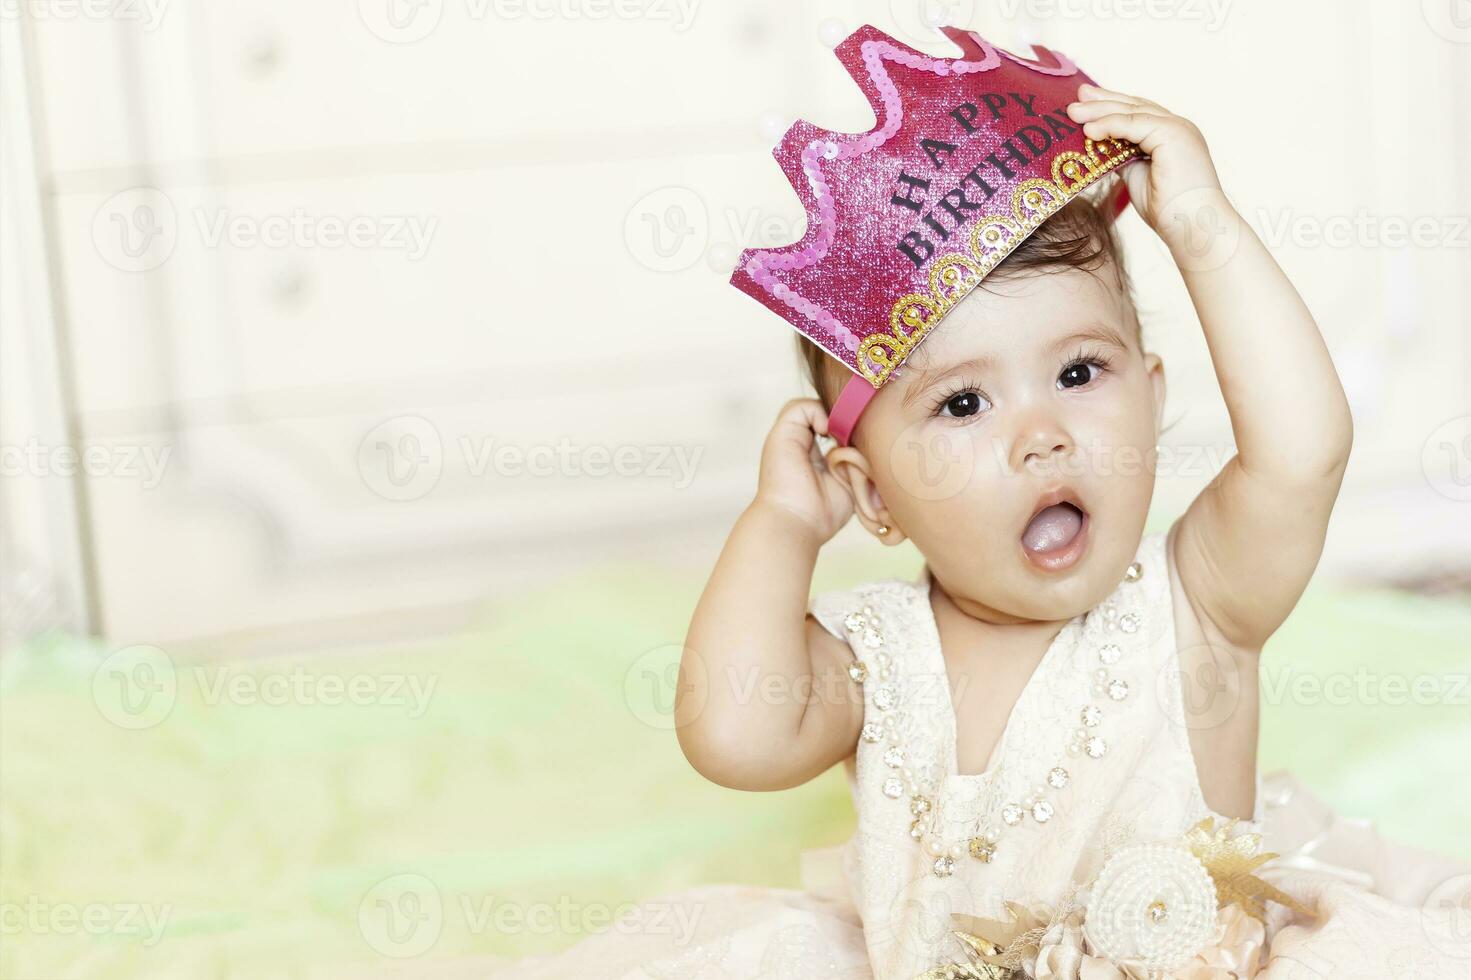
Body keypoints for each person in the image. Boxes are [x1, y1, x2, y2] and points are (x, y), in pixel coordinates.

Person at [495, 24, 1471, 979]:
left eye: (1080, 370)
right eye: (964, 401)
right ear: (871, 492)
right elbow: (734, 735)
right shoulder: (876, 659)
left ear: (1155, 391)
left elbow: (1302, 453)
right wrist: (781, 526)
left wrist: (1203, 228)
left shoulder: (1196, 602)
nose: (1039, 431)